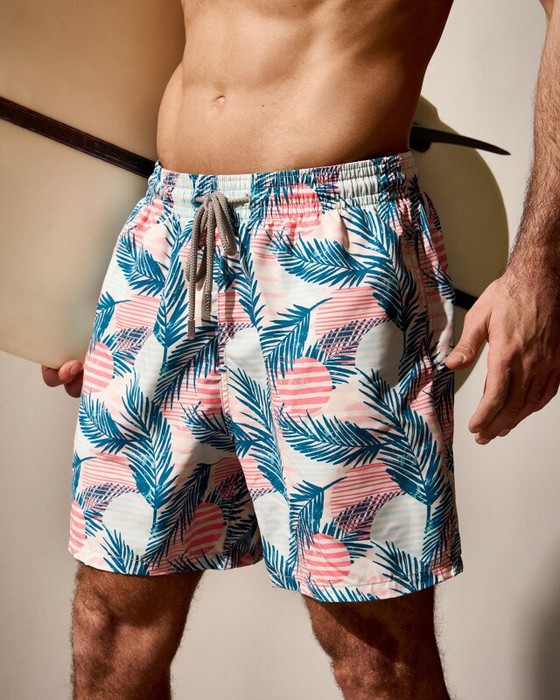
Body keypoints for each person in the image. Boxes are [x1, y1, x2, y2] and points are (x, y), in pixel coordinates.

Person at [40, 1, 560, 698]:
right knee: (112, 620)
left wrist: (541, 269)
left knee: (372, 646)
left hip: (335, 237)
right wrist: (59, 297)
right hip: (169, 234)